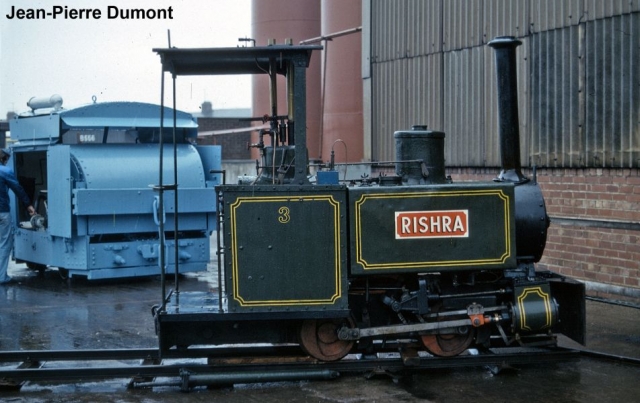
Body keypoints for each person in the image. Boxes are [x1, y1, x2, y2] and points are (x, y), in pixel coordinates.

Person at [0, 148, 35, 284]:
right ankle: (2, 277)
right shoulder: (5, 171)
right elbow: (18, 189)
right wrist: (28, 205)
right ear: (5, 159)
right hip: (2, 213)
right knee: (4, 244)